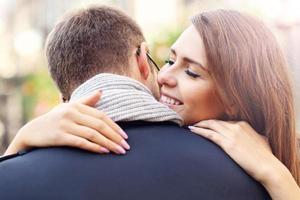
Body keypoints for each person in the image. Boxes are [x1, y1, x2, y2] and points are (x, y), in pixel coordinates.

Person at [0, 6, 269, 200]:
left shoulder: (264, 167)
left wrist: (15, 153)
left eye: (192, 72)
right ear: (142, 59)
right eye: (168, 61)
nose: (164, 77)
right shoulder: (249, 175)